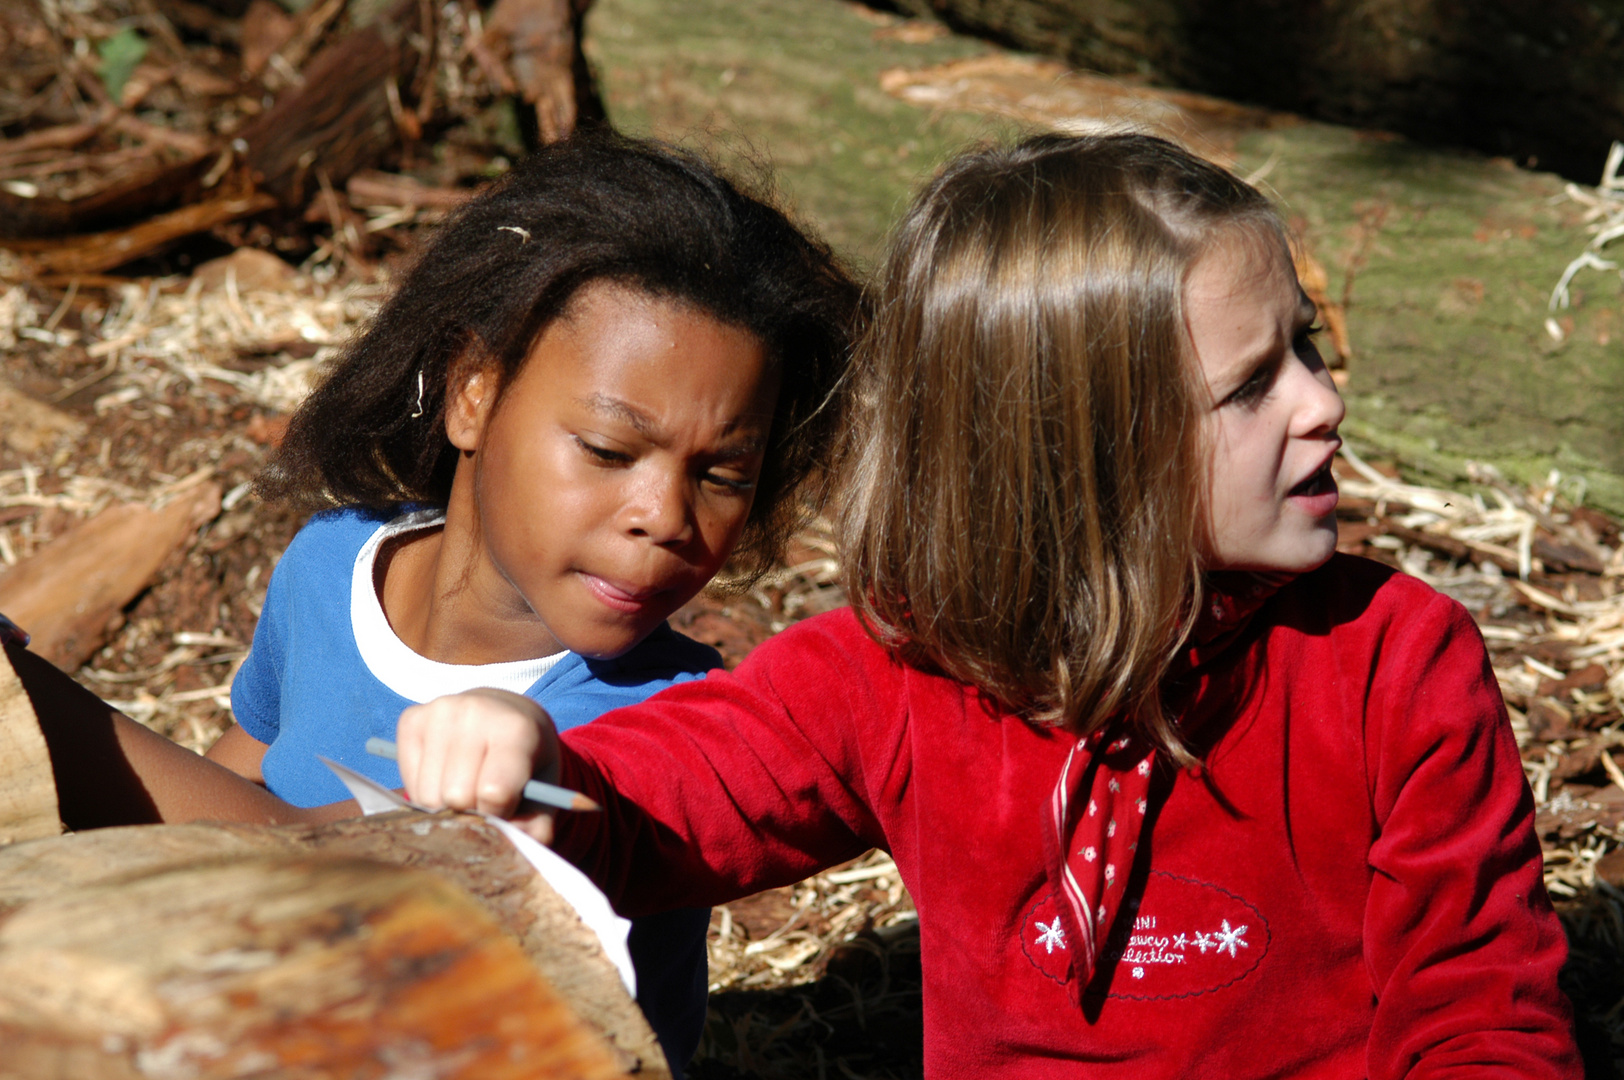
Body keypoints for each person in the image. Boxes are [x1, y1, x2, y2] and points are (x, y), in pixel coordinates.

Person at [395, 133, 1581, 1076]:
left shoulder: (1388, 665)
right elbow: (693, 788)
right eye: (1251, 385)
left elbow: (1479, 1020)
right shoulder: (911, 669)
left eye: (1306, 349)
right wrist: (542, 768)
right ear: (1078, 456)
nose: (1321, 404)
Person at [204, 132, 859, 1076]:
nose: (665, 517)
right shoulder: (330, 565)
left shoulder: (674, 730)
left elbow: (308, 883)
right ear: (473, 392)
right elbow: (249, 766)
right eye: (607, 450)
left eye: (722, 473)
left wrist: (54, 718)